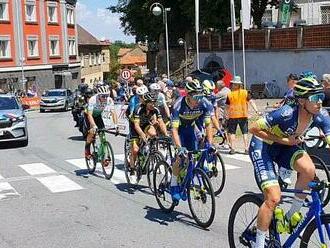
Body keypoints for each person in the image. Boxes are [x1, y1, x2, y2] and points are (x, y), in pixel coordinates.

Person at [248, 77, 330, 248]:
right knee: (273, 198)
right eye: (315, 98)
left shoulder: (321, 115)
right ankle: (259, 244)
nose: (320, 102)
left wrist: (286, 142)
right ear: (301, 100)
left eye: (321, 97)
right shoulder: (286, 112)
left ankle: (291, 216)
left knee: (308, 170)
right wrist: (284, 140)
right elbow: (254, 128)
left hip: (286, 146)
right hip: (264, 147)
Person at [170, 79, 214, 201]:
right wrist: (179, 148)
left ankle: (186, 183)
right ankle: (173, 184)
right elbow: (174, 130)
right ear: (188, 95)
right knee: (180, 157)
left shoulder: (204, 103)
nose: (198, 100)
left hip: (190, 128)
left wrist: (209, 143)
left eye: (201, 96)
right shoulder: (178, 105)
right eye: (196, 96)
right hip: (178, 130)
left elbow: (208, 125)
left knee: (193, 157)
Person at [129, 92, 168, 181]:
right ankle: (132, 169)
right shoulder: (138, 109)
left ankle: (149, 150)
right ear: (146, 102)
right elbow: (136, 126)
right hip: (135, 126)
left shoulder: (155, 109)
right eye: (151, 102)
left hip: (145, 124)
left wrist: (166, 135)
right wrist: (142, 135)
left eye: (154, 102)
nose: (153, 104)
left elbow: (161, 122)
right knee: (135, 149)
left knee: (153, 133)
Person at [226, 76, 260, 154]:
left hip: (233, 116)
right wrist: (257, 111)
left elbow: (227, 107)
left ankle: (233, 149)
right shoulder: (245, 92)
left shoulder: (230, 94)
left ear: (234, 84)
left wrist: (226, 115)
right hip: (243, 115)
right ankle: (246, 149)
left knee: (232, 133)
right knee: (244, 132)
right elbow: (251, 102)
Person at [85, 85, 119, 158]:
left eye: (107, 96)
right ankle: (87, 149)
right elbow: (90, 115)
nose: (105, 98)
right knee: (92, 132)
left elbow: (113, 113)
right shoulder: (93, 99)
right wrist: (93, 126)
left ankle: (103, 155)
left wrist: (116, 125)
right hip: (89, 115)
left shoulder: (109, 100)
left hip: (97, 116)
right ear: (98, 95)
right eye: (103, 96)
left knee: (102, 133)